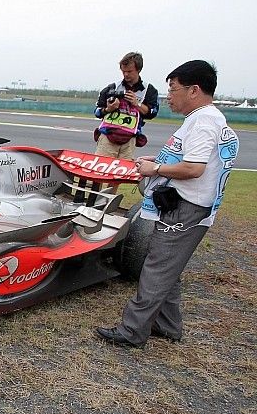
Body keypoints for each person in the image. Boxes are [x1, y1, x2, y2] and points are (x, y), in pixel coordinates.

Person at [95, 60, 239, 348]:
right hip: (186, 204)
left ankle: (132, 331)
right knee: (166, 267)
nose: (169, 96)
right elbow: (188, 160)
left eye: (173, 89)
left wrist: (155, 170)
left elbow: (193, 168)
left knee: (157, 267)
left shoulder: (203, 122)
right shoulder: (205, 118)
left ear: (194, 90)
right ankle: (168, 325)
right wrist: (157, 161)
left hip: (187, 207)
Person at [94, 52, 159, 159]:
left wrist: (136, 103)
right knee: (101, 169)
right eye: (123, 71)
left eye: (129, 71)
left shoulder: (149, 90)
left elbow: (152, 113)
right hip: (107, 136)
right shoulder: (112, 87)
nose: (126, 74)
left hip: (129, 140)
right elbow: (97, 111)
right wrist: (108, 109)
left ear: (138, 70)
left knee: (123, 173)